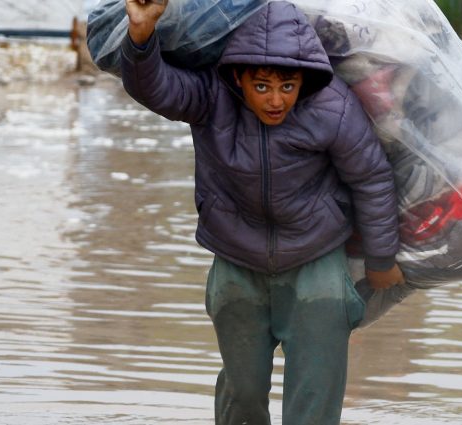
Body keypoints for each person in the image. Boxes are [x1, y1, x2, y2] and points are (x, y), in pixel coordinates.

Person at [120, 1, 404, 423]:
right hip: (236, 264)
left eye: (287, 86)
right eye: (263, 85)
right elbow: (155, 87)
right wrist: (142, 33)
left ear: (304, 80)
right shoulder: (211, 97)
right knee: (242, 392)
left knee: (315, 396)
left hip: (316, 266)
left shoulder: (333, 107)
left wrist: (381, 260)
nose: (275, 100)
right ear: (238, 76)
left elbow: (372, 179)